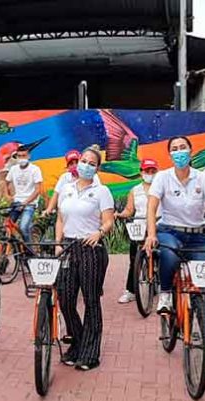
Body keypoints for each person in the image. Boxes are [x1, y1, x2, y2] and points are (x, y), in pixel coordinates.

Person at [144, 136, 205, 316]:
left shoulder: (202, 177)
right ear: (170, 154)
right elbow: (151, 207)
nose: (179, 152)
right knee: (170, 256)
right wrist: (151, 234)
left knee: (202, 284)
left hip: (198, 236)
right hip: (169, 232)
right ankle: (165, 294)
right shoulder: (162, 177)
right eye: (174, 149)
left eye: (183, 147)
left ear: (190, 151)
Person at [55, 144, 114, 371]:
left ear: (97, 168)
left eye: (92, 163)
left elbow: (108, 220)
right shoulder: (67, 189)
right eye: (84, 161)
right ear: (77, 163)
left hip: (91, 248)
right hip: (68, 247)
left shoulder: (101, 192)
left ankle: (90, 353)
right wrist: (58, 244)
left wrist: (99, 232)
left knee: (90, 300)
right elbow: (60, 218)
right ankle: (77, 342)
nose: (86, 166)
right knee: (65, 298)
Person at [114, 158, 160, 304]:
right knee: (135, 259)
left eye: (153, 171)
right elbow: (129, 210)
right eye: (147, 171)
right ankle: (131, 291)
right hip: (139, 227)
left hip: (159, 224)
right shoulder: (135, 190)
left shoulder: (161, 188)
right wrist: (120, 214)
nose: (150, 174)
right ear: (141, 173)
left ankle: (164, 287)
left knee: (163, 256)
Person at [5, 146, 43, 241]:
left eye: (24, 156)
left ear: (29, 156)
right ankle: (14, 248)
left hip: (30, 203)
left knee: (23, 227)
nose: (21, 158)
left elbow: (38, 190)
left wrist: (26, 202)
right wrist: (7, 195)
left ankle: (28, 250)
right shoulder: (13, 169)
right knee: (7, 226)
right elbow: (6, 182)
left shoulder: (35, 169)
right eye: (19, 156)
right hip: (17, 202)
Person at [44, 150, 101, 215]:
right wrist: (49, 209)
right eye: (71, 164)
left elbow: (99, 195)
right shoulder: (64, 177)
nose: (75, 165)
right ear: (68, 167)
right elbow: (56, 194)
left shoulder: (93, 177)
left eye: (77, 162)